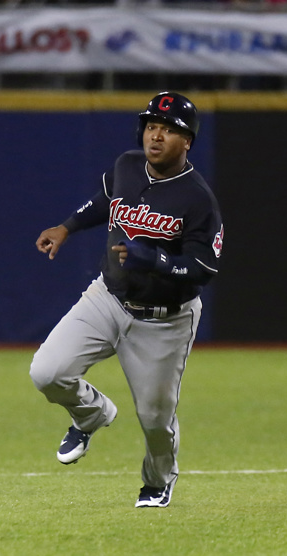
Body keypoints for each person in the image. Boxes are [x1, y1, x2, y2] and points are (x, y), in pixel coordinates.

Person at [30, 92, 224, 509]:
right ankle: (91, 413)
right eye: (153, 126)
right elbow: (106, 200)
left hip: (165, 320)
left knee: (156, 421)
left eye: (170, 130)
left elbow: (205, 267)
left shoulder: (197, 198)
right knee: (47, 372)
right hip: (108, 298)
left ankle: (157, 482)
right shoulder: (128, 164)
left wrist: (155, 259)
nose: (157, 136)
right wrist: (67, 227)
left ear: (187, 141)